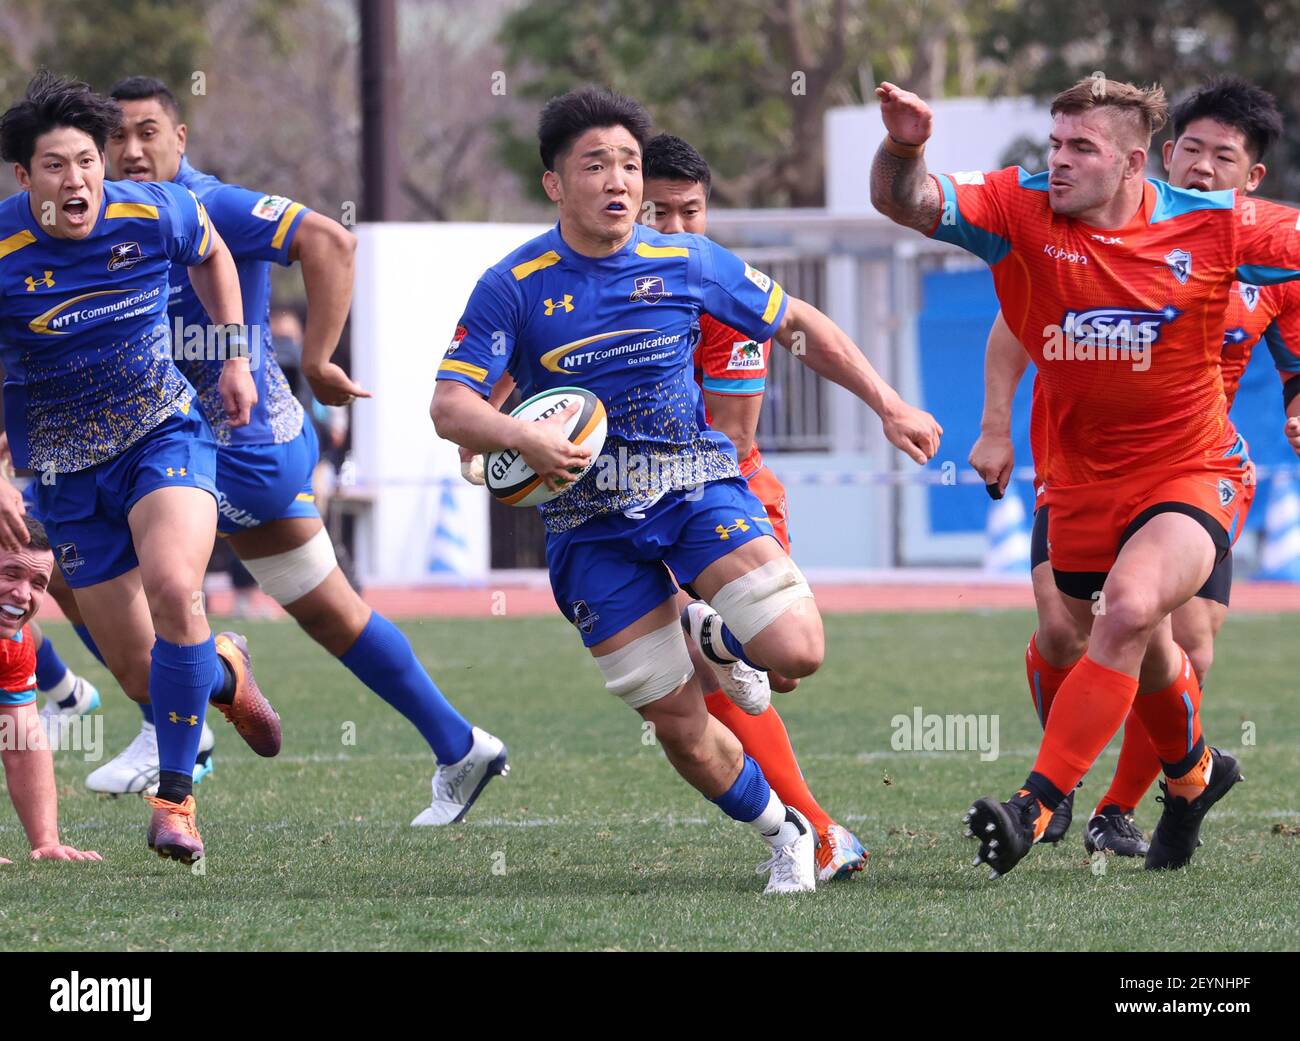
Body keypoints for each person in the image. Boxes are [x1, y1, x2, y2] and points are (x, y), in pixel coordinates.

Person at [432, 87, 941, 892]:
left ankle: (715, 634)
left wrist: (888, 402)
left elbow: (799, 324)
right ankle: (788, 836)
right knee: (678, 725)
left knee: (796, 651)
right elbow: (450, 404)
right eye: (595, 164)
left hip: (693, 490)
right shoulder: (514, 284)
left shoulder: (689, 262)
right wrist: (516, 435)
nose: (619, 180)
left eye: (629, 164)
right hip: (586, 525)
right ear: (555, 185)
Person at [870, 74, 1300, 876]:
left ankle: (1041, 803)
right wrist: (904, 145)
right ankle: (1196, 772)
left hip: (1193, 468)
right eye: (1054, 144)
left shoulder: (1216, 225)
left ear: (1136, 163)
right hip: (1075, 478)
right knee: (1115, 640)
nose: (1057, 162)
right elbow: (907, 201)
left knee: (1136, 611)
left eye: (1081, 149)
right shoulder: (1017, 207)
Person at [98, 76, 506, 824]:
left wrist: (317, 359)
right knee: (335, 615)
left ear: (179, 138)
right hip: (229, 452)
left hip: (239, 448)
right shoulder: (109, 222)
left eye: (146, 131)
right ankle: (461, 744)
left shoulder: (210, 204)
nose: (130, 149)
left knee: (96, 549)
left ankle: (185, 712)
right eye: (115, 135)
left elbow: (330, 239)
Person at [0, 71, 279, 864]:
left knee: (174, 589)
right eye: (56, 165)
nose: (80, 178)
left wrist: (232, 355)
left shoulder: (155, 210)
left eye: (88, 160)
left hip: (164, 433)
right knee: (138, 671)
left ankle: (174, 802)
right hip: (64, 472)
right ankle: (223, 671)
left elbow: (215, 254)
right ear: (25, 177)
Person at [642, 132, 867, 881]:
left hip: (718, 491)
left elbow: (732, 440)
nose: (675, 229)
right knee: (690, 686)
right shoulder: (583, 285)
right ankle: (818, 831)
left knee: (785, 663)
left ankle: (724, 637)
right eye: (658, 213)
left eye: (690, 212)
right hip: (628, 506)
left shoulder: (723, 291)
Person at [0, 514, 101, 865]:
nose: (22, 595)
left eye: (38, 583)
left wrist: (47, 841)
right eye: (10, 573)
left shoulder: (13, 642)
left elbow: (22, 743)